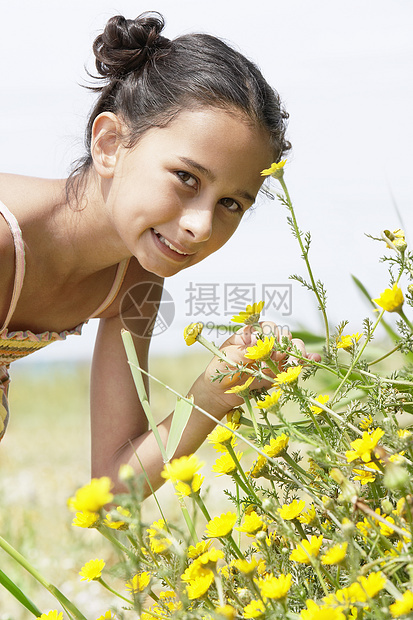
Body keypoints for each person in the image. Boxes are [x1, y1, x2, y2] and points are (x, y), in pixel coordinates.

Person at [0, 12, 318, 494]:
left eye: (231, 204)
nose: (201, 226)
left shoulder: (134, 281)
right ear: (110, 144)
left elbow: (111, 490)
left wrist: (214, 390)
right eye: (186, 178)